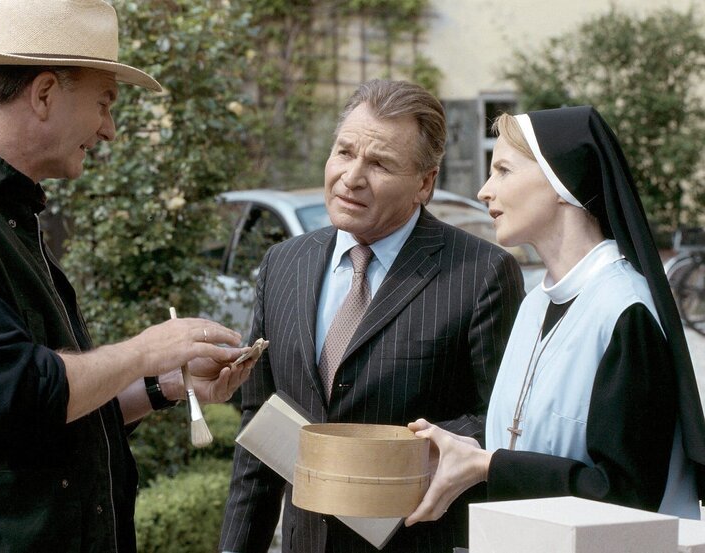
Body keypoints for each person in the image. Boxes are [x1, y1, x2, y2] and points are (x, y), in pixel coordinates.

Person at [0, 1, 257, 551]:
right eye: (104, 103)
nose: (110, 130)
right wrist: (146, 350)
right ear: (44, 93)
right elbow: (14, 396)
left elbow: (62, 405)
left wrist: (169, 382)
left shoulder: (7, 214)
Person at [219, 79, 525, 553]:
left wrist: (397, 453)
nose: (352, 177)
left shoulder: (480, 274)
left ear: (425, 182)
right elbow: (260, 433)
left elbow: (505, 423)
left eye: (379, 163)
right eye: (344, 152)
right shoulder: (283, 265)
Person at [406, 106, 705, 527]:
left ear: (561, 181)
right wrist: (466, 451)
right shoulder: (534, 305)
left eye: (504, 170)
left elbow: (627, 496)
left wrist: (492, 466)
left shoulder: (624, 311)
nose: (484, 191)